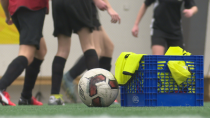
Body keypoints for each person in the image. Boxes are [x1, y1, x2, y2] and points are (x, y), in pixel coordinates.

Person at [48, 0, 108, 105]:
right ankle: (97, 95)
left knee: (62, 50)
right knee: (88, 46)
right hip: (79, 3)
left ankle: (54, 96)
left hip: (57, 3)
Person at [61, 0, 120, 103]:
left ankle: (105, 89)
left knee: (108, 47)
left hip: (91, 9)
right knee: (95, 50)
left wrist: (109, 7)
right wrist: (109, 8)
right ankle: (70, 76)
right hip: (86, 7)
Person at [0, 0, 48, 106]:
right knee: (27, 53)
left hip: (16, 8)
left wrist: (7, 14)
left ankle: (26, 97)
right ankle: (1, 87)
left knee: (41, 51)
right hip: (32, 6)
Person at [132, 0, 198, 55]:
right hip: (159, 29)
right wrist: (136, 24)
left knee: (178, 62)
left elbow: (194, 7)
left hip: (175, 31)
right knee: (157, 60)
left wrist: (191, 11)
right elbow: (145, 4)